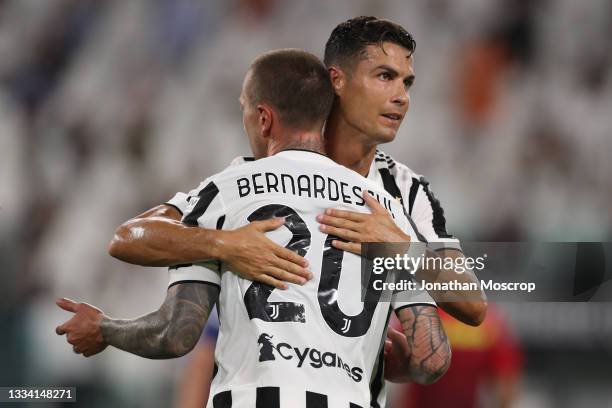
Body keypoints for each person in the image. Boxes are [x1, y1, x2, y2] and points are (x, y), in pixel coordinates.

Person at [56, 49, 451, 408]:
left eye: (245, 108)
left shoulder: (229, 191)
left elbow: (175, 331)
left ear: (263, 118)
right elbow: (431, 356)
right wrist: (401, 366)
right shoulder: (382, 209)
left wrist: (104, 328)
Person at [107, 16, 486, 325]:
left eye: (407, 82)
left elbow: (474, 305)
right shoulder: (265, 171)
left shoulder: (409, 191)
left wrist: (402, 248)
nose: (402, 96)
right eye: (385, 77)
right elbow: (131, 237)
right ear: (337, 80)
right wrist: (221, 244)